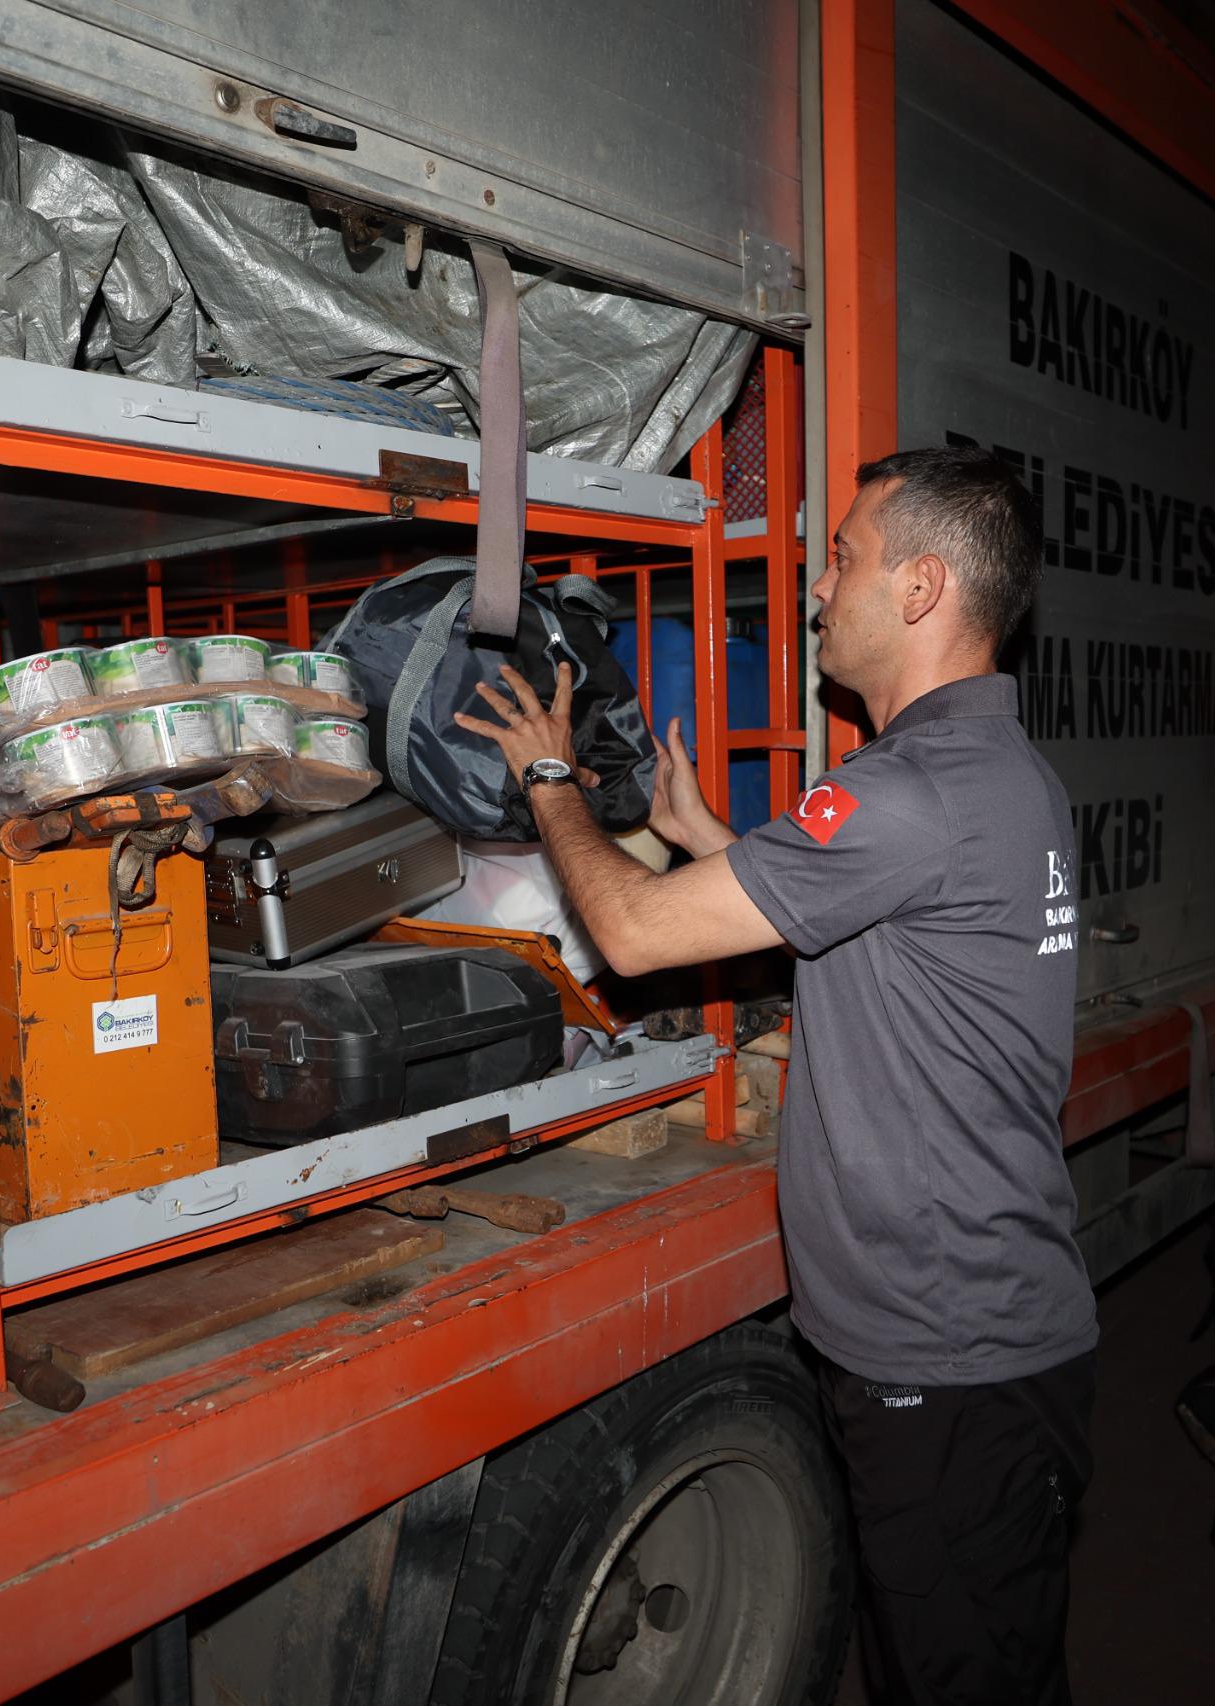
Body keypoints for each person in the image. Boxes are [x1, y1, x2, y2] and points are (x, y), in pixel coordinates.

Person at [457, 445, 1097, 1705]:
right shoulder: (990, 775)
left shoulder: (911, 790)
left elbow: (633, 934)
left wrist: (548, 778)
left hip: (948, 1356)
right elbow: (875, 914)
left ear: (921, 588)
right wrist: (712, 840)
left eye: (844, 559)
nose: (818, 589)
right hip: (980, 1338)